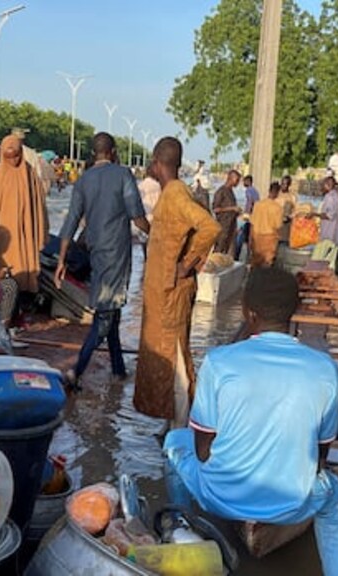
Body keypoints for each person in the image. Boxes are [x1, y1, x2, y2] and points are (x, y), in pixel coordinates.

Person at [163, 267, 338, 576]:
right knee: (334, 502)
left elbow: (202, 451)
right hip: (292, 504)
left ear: (248, 312)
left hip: (219, 497)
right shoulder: (325, 369)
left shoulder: (219, 362)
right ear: (294, 311)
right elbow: (319, 460)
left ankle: (183, 527)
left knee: (173, 443)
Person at [136, 137, 220, 426]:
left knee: (174, 357)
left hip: (171, 292)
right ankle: (172, 423)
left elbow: (210, 227)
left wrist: (186, 264)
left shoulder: (175, 194)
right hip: (163, 290)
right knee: (165, 355)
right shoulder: (171, 193)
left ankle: (182, 426)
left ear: (157, 163)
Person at [56, 133, 151, 388]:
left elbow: (70, 222)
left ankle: (118, 370)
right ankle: (76, 370)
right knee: (105, 316)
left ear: (94, 153)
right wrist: (156, 234)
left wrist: (61, 260)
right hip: (116, 254)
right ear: (113, 152)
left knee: (111, 310)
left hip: (95, 252)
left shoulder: (83, 180)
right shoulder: (123, 175)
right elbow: (137, 215)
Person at [0, 134, 49, 296]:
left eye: (16, 155)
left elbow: (39, 209)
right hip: (2, 240)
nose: (13, 160)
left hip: (26, 234)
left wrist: (40, 234)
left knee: (25, 271)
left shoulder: (30, 175)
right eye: (8, 156)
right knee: (3, 279)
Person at [249, 181, 284, 267]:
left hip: (256, 237)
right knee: (267, 263)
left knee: (255, 262)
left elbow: (252, 224)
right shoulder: (277, 208)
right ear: (277, 193)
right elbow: (278, 227)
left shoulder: (257, 205)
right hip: (269, 239)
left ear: (269, 191)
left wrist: (250, 239)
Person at [211, 170, 242, 254]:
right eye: (237, 180)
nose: (238, 183)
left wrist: (237, 212)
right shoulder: (221, 191)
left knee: (229, 252)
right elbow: (215, 209)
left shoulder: (231, 192)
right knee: (219, 251)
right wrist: (231, 208)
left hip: (231, 227)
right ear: (231, 178)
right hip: (223, 227)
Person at [235, 175, 260, 260]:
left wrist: (246, 214)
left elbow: (250, 202)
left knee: (240, 235)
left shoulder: (249, 190)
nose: (243, 183)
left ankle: (236, 255)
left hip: (249, 216)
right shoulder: (255, 190)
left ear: (248, 181)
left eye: (244, 181)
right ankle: (249, 256)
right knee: (249, 237)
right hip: (254, 216)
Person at [276, 175, 298, 242]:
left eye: (285, 184)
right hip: (275, 225)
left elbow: (295, 210)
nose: (283, 186)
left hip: (286, 225)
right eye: (282, 183)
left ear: (289, 185)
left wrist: (290, 217)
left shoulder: (292, 197)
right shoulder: (276, 194)